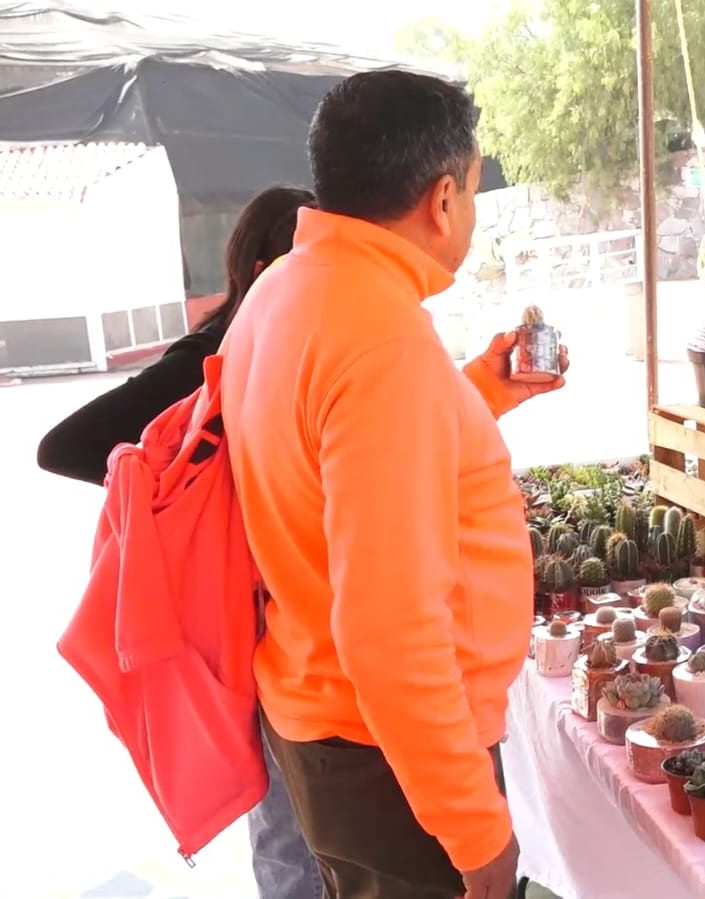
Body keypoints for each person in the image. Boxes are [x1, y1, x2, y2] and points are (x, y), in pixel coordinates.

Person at [220, 69, 563, 899]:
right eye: (474, 192)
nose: (470, 216)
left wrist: (480, 390)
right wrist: (473, 828)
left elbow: (330, 456)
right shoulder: (381, 340)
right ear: (442, 199)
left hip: (331, 721)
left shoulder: (284, 290)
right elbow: (389, 627)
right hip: (387, 756)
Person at [36, 185, 325, 899]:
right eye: (310, 261)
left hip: (295, 617)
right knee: (288, 833)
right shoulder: (210, 358)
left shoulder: (301, 348)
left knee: (311, 821)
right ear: (262, 270)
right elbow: (63, 446)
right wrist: (167, 494)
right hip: (243, 620)